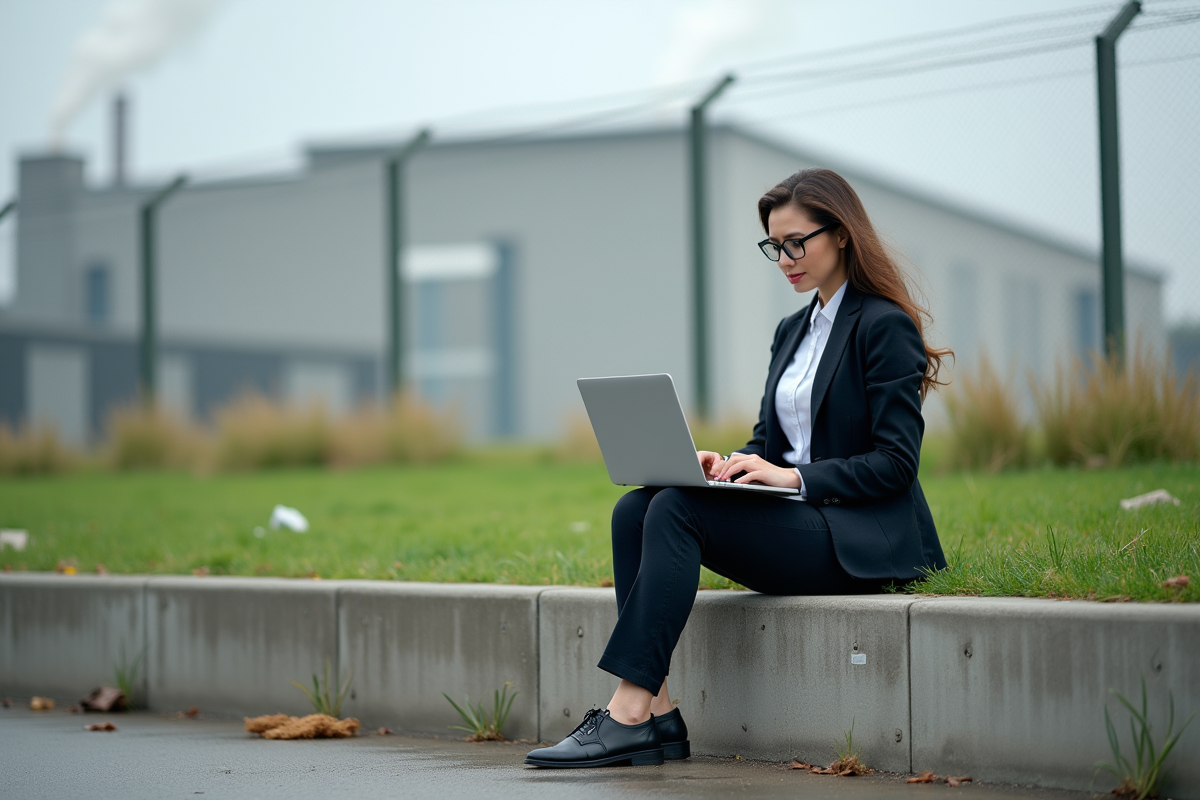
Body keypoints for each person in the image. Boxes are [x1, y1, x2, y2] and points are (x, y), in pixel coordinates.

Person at [525, 168, 952, 769]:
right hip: (798, 522)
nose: (784, 259)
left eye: (796, 242)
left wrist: (796, 478)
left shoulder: (884, 325)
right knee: (638, 507)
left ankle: (625, 712)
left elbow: (896, 464)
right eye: (775, 247)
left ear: (843, 235)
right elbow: (771, 442)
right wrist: (726, 465)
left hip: (858, 539)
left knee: (675, 511)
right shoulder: (791, 332)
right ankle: (658, 717)